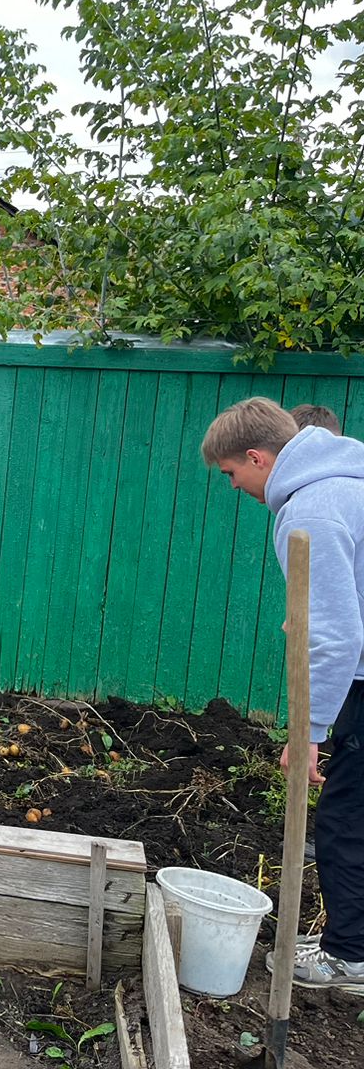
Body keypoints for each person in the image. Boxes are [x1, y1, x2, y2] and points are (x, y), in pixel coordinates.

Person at [202, 396, 364, 988]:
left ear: (256, 456)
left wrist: (310, 730)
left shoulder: (311, 510)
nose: (233, 486)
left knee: (345, 821)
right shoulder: (348, 482)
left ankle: (350, 957)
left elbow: (337, 634)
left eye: (231, 474)